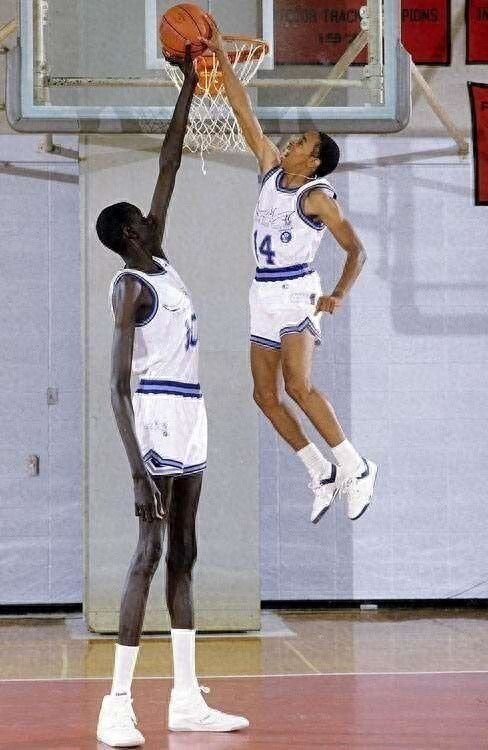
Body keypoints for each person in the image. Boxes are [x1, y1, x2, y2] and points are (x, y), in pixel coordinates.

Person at [94, 47, 248, 746]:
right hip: (154, 412)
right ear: (131, 232)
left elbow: (169, 162)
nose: (156, 217)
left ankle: (186, 699)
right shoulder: (132, 285)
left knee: (185, 551)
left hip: (191, 411)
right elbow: (115, 385)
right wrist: (136, 471)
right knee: (148, 551)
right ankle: (117, 704)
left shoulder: (161, 260)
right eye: (146, 218)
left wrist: (189, 83)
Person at [202, 18, 377, 524]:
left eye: (301, 141)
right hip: (263, 292)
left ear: (315, 160)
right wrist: (220, 54)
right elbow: (242, 110)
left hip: (300, 291)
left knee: (298, 385)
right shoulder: (270, 168)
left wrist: (339, 293)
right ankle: (320, 471)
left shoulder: (317, 197)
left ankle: (357, 466)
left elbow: (357, 251)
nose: (292, 142)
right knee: (264, 395)